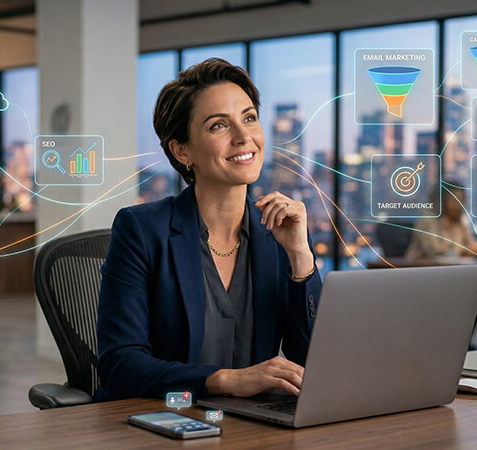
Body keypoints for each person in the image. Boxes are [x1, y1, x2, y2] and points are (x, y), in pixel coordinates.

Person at [96, 58, 322, 401]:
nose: (244, 136)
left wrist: (300, 257)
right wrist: (226, 380)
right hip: (165, 421)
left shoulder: (278, 233)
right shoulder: (142, 230)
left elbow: (313, 362)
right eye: (219, 125)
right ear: (182, 150)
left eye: (249, 118)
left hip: (252, 427)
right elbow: (120, 366)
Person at [405, 183, 477, 259]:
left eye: (461, 200)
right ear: (442, 200)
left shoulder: (458, 222)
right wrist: (461, 251)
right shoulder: (428, 220)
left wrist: (464, 250)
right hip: (421, 268)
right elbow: (434, 249)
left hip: (450, 268)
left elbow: (474, 246)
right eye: (454, 200)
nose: (458, 205)